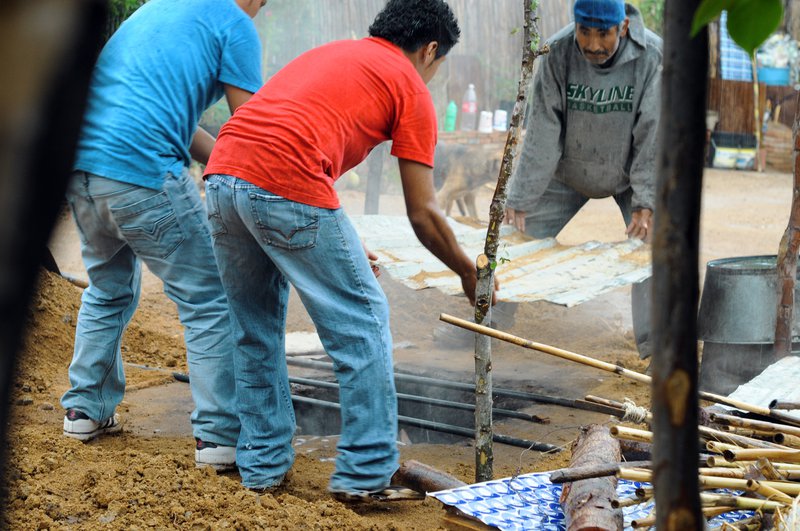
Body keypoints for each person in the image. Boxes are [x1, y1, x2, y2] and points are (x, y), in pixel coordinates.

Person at [204, 0, 488, 498]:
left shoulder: (335, 53)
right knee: (362, 320)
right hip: (282, 180)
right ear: (430, 50)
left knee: (253, 328)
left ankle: (262, 468)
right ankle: (365, 475)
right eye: (438, 65)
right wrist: (468, 271)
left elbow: (290, 141)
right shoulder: (408, 85)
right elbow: (423, 214)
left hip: (224, 176)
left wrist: (344, 237)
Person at [60, 0, 267, 471]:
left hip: (82, 168)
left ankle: (84, 411)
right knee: (210, 297)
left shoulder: (160, 9)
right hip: (143, 172)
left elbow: (167, 115)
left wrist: (215, 160)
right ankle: (219, 437)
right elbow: (253, 130)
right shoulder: (234, 23)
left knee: (108, 289)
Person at [504, 0, 662, 359]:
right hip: (566, 170)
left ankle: (657, 345)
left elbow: (654, 133)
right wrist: (521, 196)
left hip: (629, 172)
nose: (592, 44)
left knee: (656, 244)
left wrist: (647, 200)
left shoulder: (652, 55)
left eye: (602, 33)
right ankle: (488, 320)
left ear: (622, 27)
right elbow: (543, 127)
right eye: (584, 31)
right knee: (513, 234)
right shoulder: (557, 51)